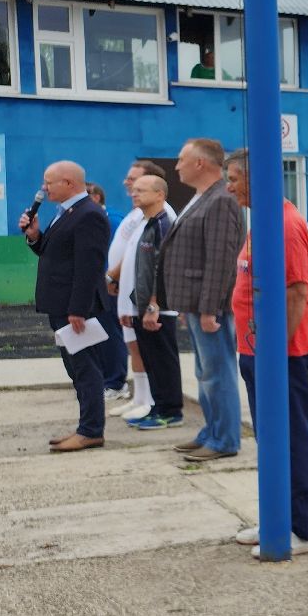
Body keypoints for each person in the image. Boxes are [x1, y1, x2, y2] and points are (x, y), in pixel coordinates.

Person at [223, 148, 308, 559]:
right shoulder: (262, 222)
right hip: (257, 351)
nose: (229, 187)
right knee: (270, 439)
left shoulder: (284, 225)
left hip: (281, 356)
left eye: (233, 179)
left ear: (256, 178)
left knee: (292, 439)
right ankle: (277, 516)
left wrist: (273, 355)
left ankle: (306, 527)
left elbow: (296, 293)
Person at [157, 137, 245, 465]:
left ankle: (224, 438)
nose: (176, 165)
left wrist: (209, 308)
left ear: (200, 163)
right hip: (195, 303)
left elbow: (220, 260)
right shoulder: (201, 197)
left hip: (212, 307)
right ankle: (211, 432)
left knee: (217, 372)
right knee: (204, 372)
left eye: (181, 159)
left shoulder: (221, 199)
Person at [21, 160, 112, 453]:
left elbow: (89, 266)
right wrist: (35, 237)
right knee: (75, 368)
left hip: (75, 308)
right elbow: (56, 255)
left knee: (86, 368)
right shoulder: (66, 213)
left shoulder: (89, 215)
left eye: (49, 182)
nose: (44, 188)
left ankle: (91, 431)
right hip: (61, 304)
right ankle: (85, 427)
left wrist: (78, 309)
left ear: (69, 183)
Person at [108, 160, 175, 422]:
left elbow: (159, 265)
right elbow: (133, 257)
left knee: (156, 355)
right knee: (136, 348)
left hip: (149, 300)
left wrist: (152, 303)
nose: (131, 187)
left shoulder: (161, 219)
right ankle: (143, 398)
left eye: (137, 183)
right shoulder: (141, 216)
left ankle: (157, 404)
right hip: (134, 296)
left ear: (157, 188)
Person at [126, 175, 185, 432]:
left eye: (141, 190)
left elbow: (163, 267)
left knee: (163, 360)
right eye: (133, 190)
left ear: (159, 194)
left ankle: (170, 411)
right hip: (144, 307)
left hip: (160, 308)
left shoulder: (164, 224)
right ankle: (158, 406)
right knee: (151, 359)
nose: (134, 194)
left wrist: (153, 305)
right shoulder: (148, 223)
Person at [83, 181, 128, 398]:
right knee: (97, 333)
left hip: (107, 286)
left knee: (110, 333)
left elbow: (117, 255)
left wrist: (110, 279)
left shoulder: (111, 220)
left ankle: (116, 382)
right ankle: (104, 379)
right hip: (93, 285)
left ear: (96, 197)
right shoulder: (92, 219)